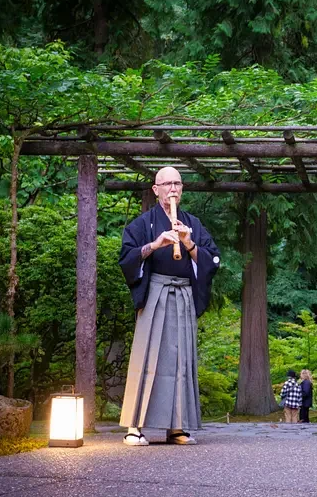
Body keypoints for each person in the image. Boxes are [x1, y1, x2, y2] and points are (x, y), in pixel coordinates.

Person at [118, 167, 221, 446]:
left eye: (177, 183)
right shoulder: (142, 224)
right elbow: (127, 258)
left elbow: (212, 260)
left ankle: (177, 426)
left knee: (180, 361)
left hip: (184, 295)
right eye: (166, 184)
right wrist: (155, 244)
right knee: (146, 359)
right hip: (155, 294)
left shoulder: (193, 224)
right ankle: (134, 426)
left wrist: (188, 244)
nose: (172, 189)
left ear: (182, 188)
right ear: (156, 190)